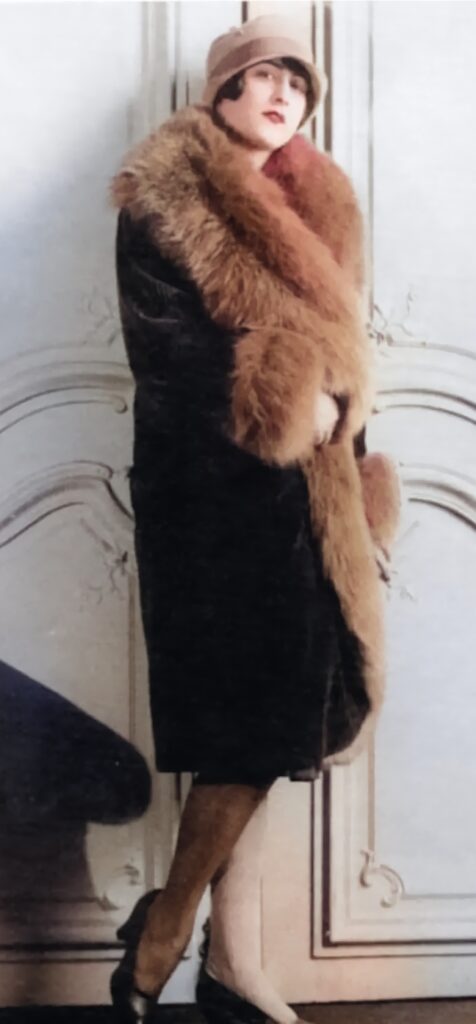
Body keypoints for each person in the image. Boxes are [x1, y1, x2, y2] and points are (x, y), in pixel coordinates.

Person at [108, 14, 401, 1024]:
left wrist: (351, 476)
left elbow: (344, 363)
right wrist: (288, 397)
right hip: (208, 500)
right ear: (221, 89)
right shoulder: (162, 195)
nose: (283, 96)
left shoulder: (324, 198)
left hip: (307, 500)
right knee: (245, 726)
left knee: (276, 727)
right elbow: (167, 357)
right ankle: (168, 936)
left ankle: (225, 959)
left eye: (298, 83)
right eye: (264, 76)